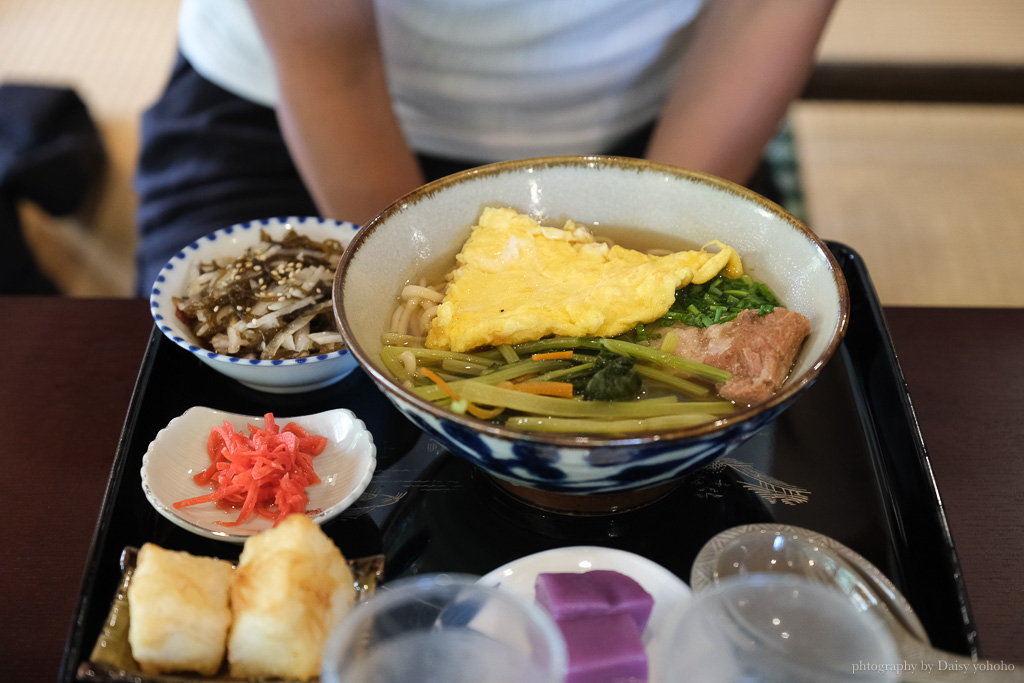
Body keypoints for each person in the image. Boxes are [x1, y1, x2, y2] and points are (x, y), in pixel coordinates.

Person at [133, 0, 836, 295]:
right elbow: (331, 68)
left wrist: (638, 282)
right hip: (292, 114)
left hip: (660, 120)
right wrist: (420, 300)